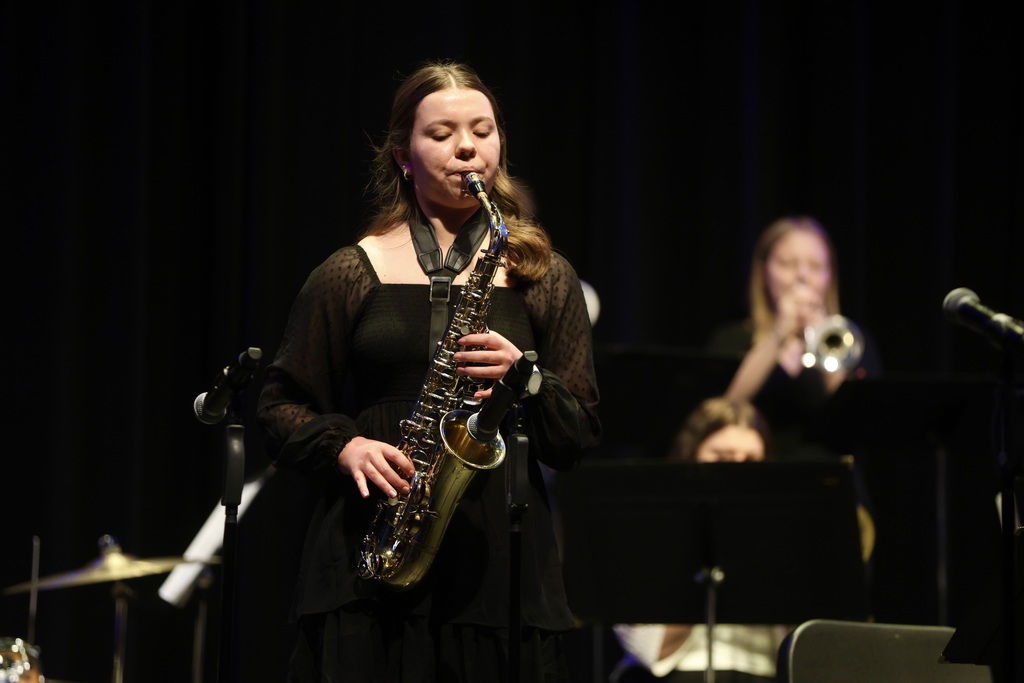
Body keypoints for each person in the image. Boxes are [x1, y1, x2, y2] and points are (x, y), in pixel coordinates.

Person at [256, 60, 602, 682]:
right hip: (370, 549)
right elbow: (278, 406)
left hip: (499, 567)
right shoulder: (350, 271)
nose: (468, 147)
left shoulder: (544, 276)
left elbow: (576, 434)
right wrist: (347, 446)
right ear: (403, 156)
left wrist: (525, 378)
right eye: (442, 134)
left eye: (483, 131)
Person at [611, 397, 791, 683]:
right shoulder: (651, 529)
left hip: (764, 672)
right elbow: (649, 648)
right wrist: (712, 555)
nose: (737, 473)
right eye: (722, 458)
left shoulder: (783, 531)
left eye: (750, 461)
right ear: (691, 455)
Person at [705, 215, 882, 463]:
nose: (802, 276)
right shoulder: (732, 337)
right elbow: (722, 410)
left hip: (832, 474)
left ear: (830, 276)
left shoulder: (853, 340)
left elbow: (859, 420)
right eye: (787, 264)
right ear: (763, 272)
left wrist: (822, 337)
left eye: (815, 266)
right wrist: (778, 335)